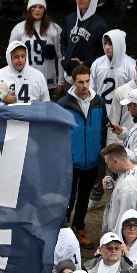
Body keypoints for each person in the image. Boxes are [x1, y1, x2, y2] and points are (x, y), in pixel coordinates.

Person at [58, 65, 108, 245]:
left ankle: (79, 228)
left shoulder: (99, 102)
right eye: (81, 82)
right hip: (70, 161)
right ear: (73, 82)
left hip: (92, 161)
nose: (85, 85)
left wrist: (101, 154)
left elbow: (102, 130)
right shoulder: (63, 104)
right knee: (68, 198)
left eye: (87, 81)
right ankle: (62, 233)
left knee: (84, 198)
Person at [9, 0, 63, 92]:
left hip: (47, 80)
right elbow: (10, 54)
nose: (37, 10)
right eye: (34, 7)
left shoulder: (54, 29)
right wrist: (13, 77)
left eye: (40, 7)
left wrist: (60, 82)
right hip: (25, 79)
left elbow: (61, 56)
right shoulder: (19, 28)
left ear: (45, 9)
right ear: (29, 9)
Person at [61, 0, 109, 86]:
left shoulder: (100, 25)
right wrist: (65, 56)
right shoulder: (70, 19)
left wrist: (85, 63)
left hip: (87, 78)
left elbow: (104, 54)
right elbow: (63, 40)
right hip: (69, 75)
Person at [92, 32, 137, 138]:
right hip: (100, 113)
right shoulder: (97, 64)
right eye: (105, 43)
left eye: (110, 44)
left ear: (119, 44)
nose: (107, 47)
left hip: (122, 115)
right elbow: (92, 90)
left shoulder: (131, 66)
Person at [100, 145, 137, 237]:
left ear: (115, 161)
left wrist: (116, 242)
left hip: (125, 240)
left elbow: (126, 221)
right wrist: (115, 187)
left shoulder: (128, 187)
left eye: (107, 163)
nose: (108, 167)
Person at [115, 89, 137, 165]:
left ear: (136, 105)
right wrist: (123, 133)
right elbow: (134, 143)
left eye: (129, 105)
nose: (128, 109)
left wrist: (122, 149)